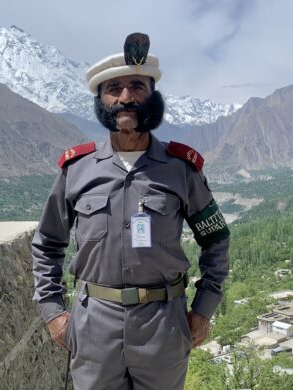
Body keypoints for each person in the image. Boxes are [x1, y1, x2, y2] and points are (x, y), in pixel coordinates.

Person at [32, 33, 230, 390]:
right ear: (101, 100)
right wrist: (54, 313)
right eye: (114, 88)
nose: (125, 97)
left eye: (137, 86)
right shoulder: (76, 170)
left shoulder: (180, 168)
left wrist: (204, 308)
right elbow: (47, 243)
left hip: (164, 326)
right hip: (94, 327)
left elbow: (216, 239)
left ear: (152, 96)